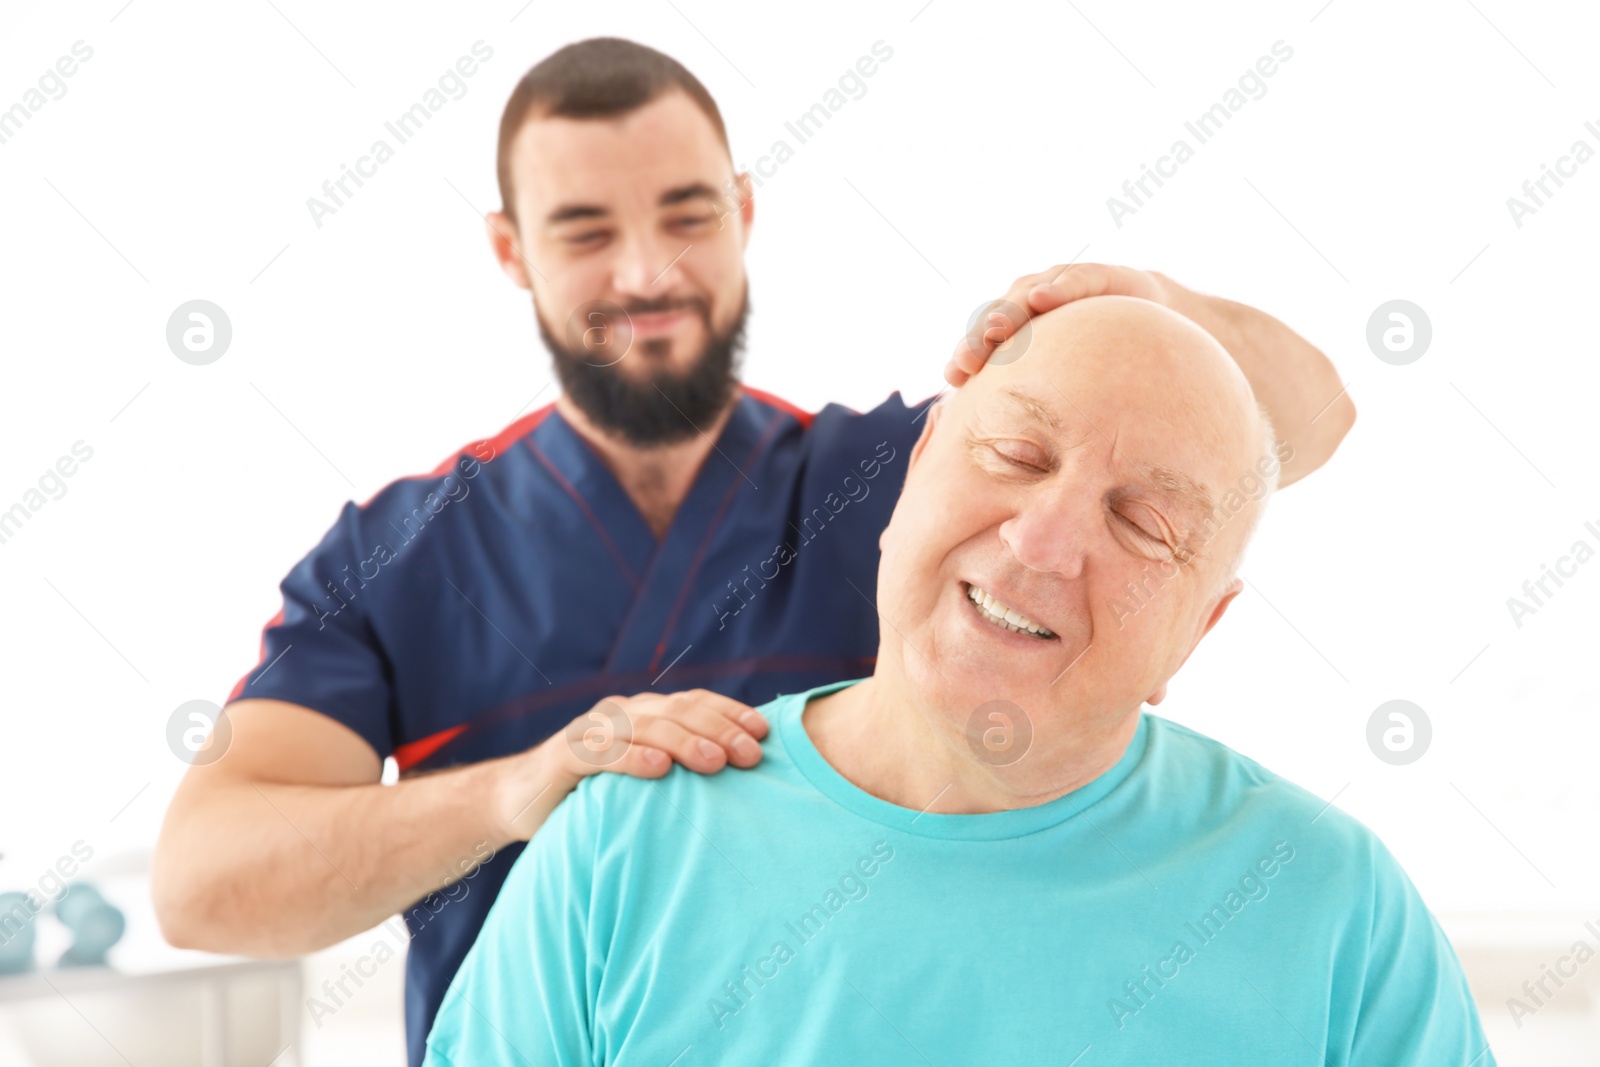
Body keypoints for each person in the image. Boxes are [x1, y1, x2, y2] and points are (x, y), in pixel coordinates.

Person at [150, 38, 1356, 1066]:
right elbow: (203, 882)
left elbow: (1294, 425)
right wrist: (517, 794)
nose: (649, 272)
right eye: (585, 230)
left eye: (688, 214)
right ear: (512, 251)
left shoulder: (894, 483)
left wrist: (1154, 305)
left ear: (743, 211)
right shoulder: (401, 554)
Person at [423, 296, 1488, 1066]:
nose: (1044, 537)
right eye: (1017, 455)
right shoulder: (626, 846)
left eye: (1143, 522)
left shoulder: (1328, 905)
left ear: (1197, 632)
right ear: (918, 464)